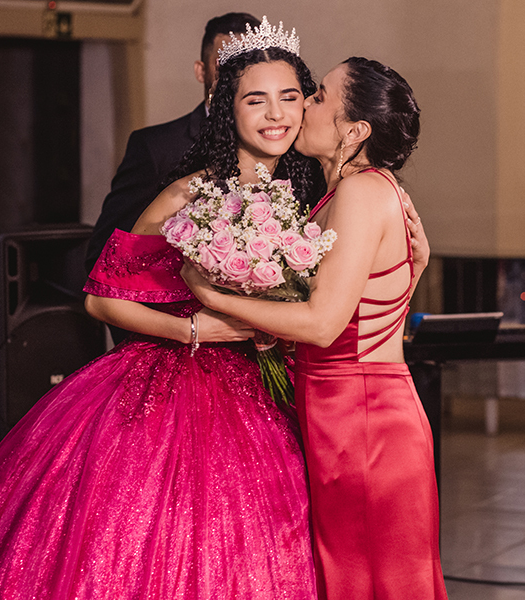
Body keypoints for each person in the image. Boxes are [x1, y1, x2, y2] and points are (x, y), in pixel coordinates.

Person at [0, 19, 320, 599]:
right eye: (255, 99)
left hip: (267, 393)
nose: (275, 113)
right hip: (173, 389)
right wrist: (193, 328)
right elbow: (101, 297)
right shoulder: (187, 192)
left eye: (289, 98)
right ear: (226, 108)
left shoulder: (310, 196)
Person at [182, 57, 448, 599]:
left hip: (365, 421)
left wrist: (212, 297)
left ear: (354, 131)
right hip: (340, 413)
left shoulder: (362, 192)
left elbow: (324, 324)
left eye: (319, 96)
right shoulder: (342, 193)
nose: (304, 104)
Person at [84, 12, 260, 278]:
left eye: (250, 64)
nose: (239, 76)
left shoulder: (286, 145)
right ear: (201, 71)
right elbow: (104, 257)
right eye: (226, 64)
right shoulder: (156, 148)